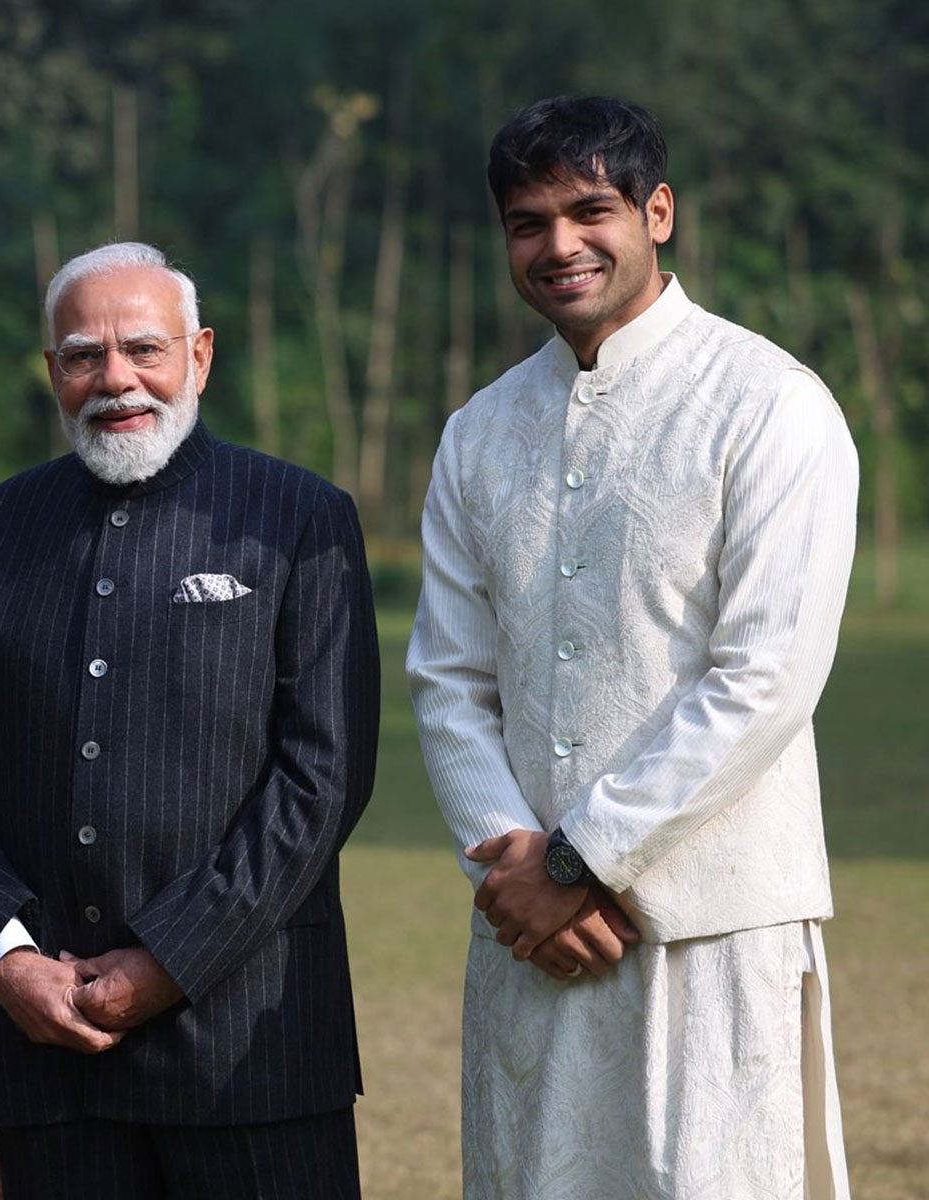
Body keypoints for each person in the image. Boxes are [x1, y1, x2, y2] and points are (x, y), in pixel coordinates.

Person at [406, 95, 855, 1198]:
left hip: (714, 924)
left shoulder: (769, 404)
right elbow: (449, 681)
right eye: (527, 223)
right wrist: (516, 865)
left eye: (588, 211)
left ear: (657, 213)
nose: (558, 244)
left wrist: (578, 861)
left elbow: (765, 677)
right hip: (534, 939)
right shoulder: (479, 432)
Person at [0, 242, 379, 1198]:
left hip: (253, 1054)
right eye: (84, 355)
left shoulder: (298, 516)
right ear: (53, 372)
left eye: (144, 349)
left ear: (199, 355)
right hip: (50, 1055)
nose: (115, 379)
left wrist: (170, 958)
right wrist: (7, 960)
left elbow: (322, 779)